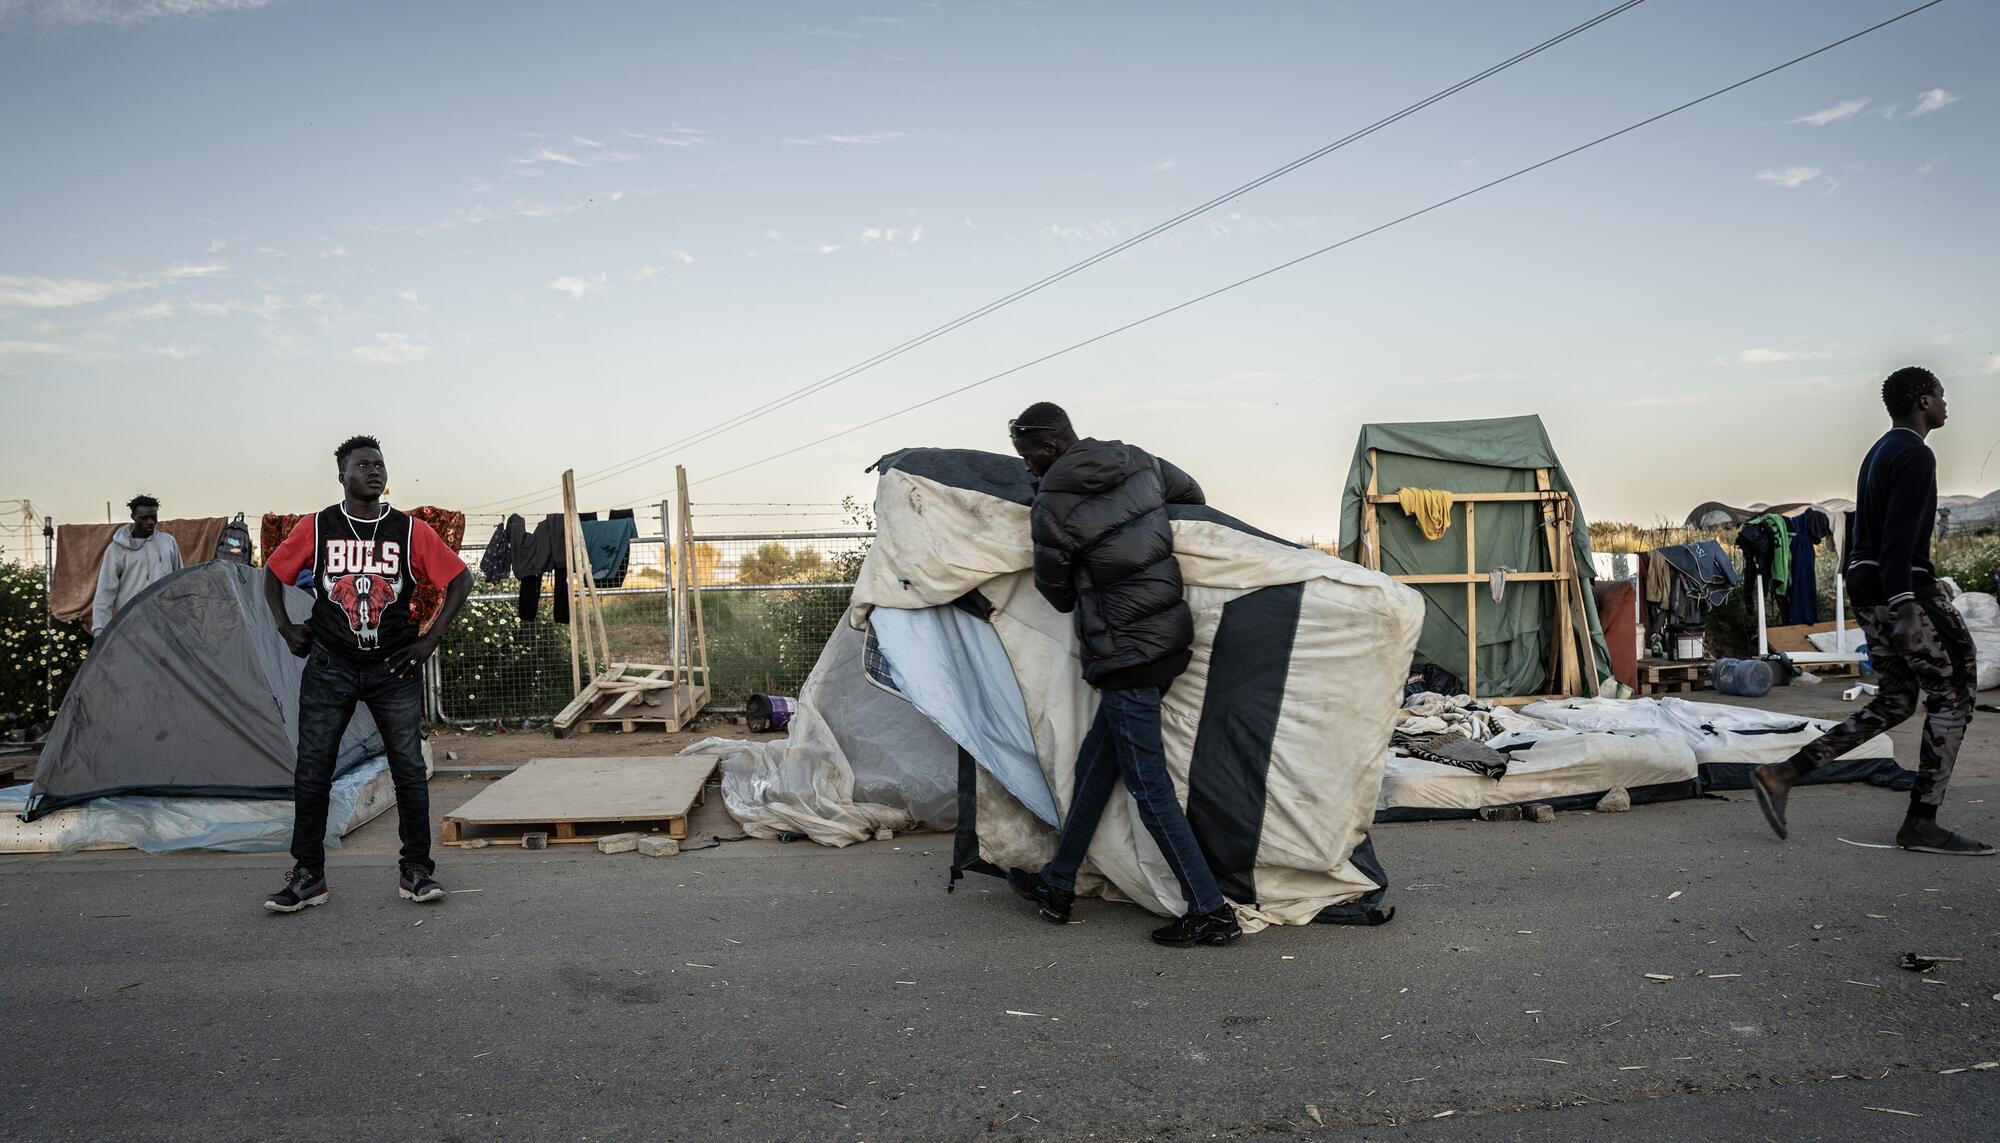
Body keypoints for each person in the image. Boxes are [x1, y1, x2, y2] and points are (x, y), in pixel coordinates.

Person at [1001, 402, 1243, 947]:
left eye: (1028, 456)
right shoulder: (1135, 460)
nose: (1027, 468)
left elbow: (1056, 593)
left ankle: (1211, 911)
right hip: (1165, 636)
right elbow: (1192, 494)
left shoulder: (1052, 503)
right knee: (1094, 767)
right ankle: (1056, 884)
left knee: (1147, 786)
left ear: (1048, 446)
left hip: (1125, 652)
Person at [1752, 367, 1988, 856]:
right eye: (1942, 396)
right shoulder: (1915, 454)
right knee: (1956, 692)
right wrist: (1904, 603)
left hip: (1865, 585)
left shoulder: (1879, 451)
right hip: (1903, 589)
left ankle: (1782, 774)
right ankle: (1921, 823)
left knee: (1898, 699)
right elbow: (1900, 537)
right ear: (1923, 400)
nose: (1947, 404)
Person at [260, 435, 475, 912]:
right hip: (329, 665)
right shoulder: (318, 528)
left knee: (410, 771)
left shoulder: (409, 530)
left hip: (393, 666)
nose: (374, 471)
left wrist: (429, 639)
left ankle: (416, 870)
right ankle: (308, 876)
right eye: (363, 465)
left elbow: (461, 578)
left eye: (379, 464)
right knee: (313, 770)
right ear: (343, 475)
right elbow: (273, 572)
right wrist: (284, 627)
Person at [92, 494, 182, 635]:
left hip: (165, 623)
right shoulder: (117, 549)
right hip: (130, 625)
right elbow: (105, 591)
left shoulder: (168, 543)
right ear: (133, 516)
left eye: (153, 517)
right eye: (144, 518)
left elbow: (179, 582)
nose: (150, 522)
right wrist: (100, 629)